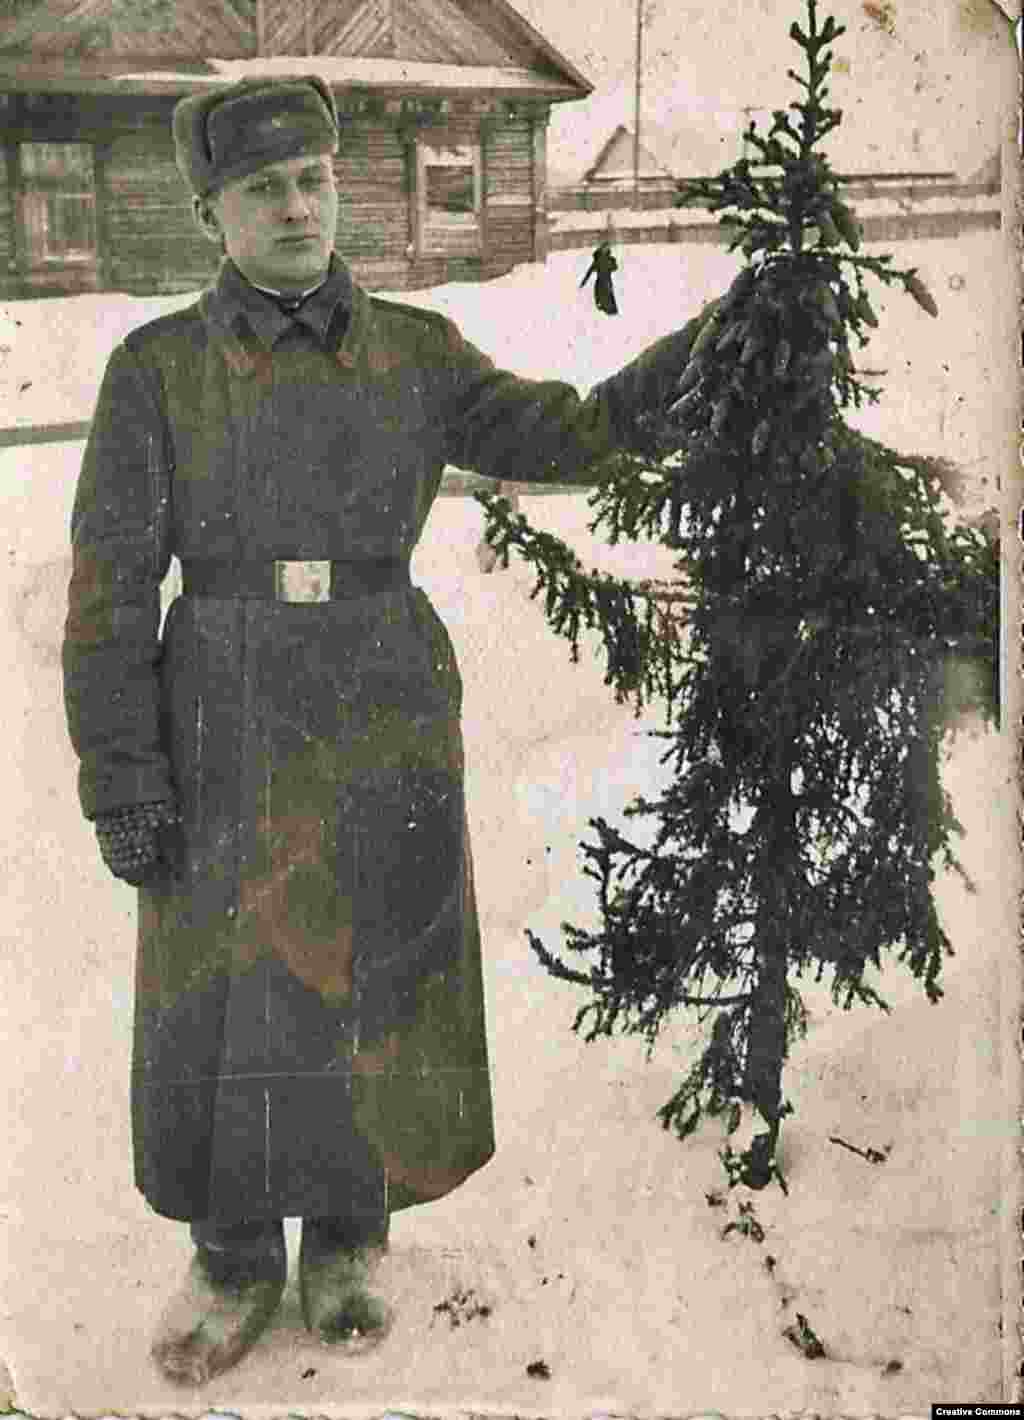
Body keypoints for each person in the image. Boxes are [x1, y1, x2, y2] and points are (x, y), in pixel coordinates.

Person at [61, 74, 709, 1386]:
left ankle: (353, 1232)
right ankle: (235, 1255)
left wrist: (701, 360)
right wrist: (123, 772)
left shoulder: (415, 349)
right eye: (260, 189)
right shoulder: (159, 373)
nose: (295, 207)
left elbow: (561, 431)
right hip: (223, 706)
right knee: (228, 989)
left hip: (384, 693)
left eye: (310, 180)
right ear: (212, 215)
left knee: (376, 970)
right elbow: (110, 588)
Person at [580, 239, 620, 315]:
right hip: (600, 282)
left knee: (609, 298)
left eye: (608, 248)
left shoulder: (610, 258)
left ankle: (611, 313)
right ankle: (606, 311)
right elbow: (590, 271)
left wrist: (612, 263)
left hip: (608, 281)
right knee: (601, 299)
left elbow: (615, 268)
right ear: (602, 248)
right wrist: (583, 282)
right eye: (605, 248)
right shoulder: (598, 259)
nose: (607, 249)